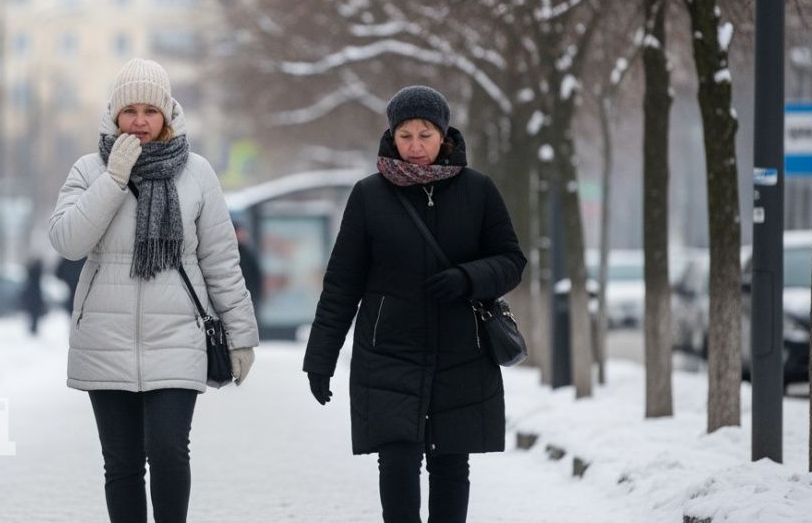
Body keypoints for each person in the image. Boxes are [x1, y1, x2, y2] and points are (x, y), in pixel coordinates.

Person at [48, 57, 259, 523]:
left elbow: (222, 262)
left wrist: (241, 335)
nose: (139, 121)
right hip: (104, 336)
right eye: (129, 110)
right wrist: (114, 179)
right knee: (121, 464)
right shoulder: (89, 169)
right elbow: (67, 241)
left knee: (168, 451)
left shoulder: (198, 173)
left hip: (178, 335)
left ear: (167, 114)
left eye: (150, 110)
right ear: (114, 114)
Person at [302, 85, 526, 523]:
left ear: (444, 134)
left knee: (450, 463)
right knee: (397, 460)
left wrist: (467, 278)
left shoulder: (478, 190)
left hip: (462, 350)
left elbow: (512, 261)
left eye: (425, 134)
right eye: (405, 135)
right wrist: (320, 358)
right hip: (388, 351)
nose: (416, 146)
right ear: (391, 136)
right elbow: (342, 284)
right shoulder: (369, 196)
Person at [233, 218, 264, 313]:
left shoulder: (245, 251)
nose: (244, 235)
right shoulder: (237, 252)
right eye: (240, 232)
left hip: (247, 297)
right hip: (240, 297)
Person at [22, 258, 46, 335]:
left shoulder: (33, 273)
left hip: (33, 296)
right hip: (35, 296)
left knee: (33, 314)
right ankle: (33, 328)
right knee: (34, 315)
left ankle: (33, 328)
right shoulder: (37, 274)